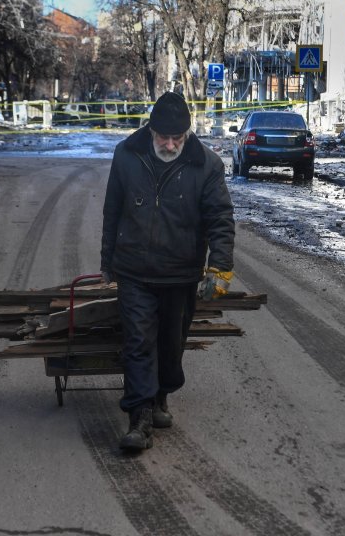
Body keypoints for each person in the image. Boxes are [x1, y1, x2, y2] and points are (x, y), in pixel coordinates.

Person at [100, 91, 235, 451]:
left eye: (178, 137)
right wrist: (107, 262)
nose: (171, 144)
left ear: (188, 133)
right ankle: (139, 417)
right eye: (164, 137)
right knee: (138, 342)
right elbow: (112, 210)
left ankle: (161, 395)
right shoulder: (127, 155)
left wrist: (219, 267)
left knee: (170, 345)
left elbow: (220, 218)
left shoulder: (206, 164)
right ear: (151, 129)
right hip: (134, 270)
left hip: (180, 272)